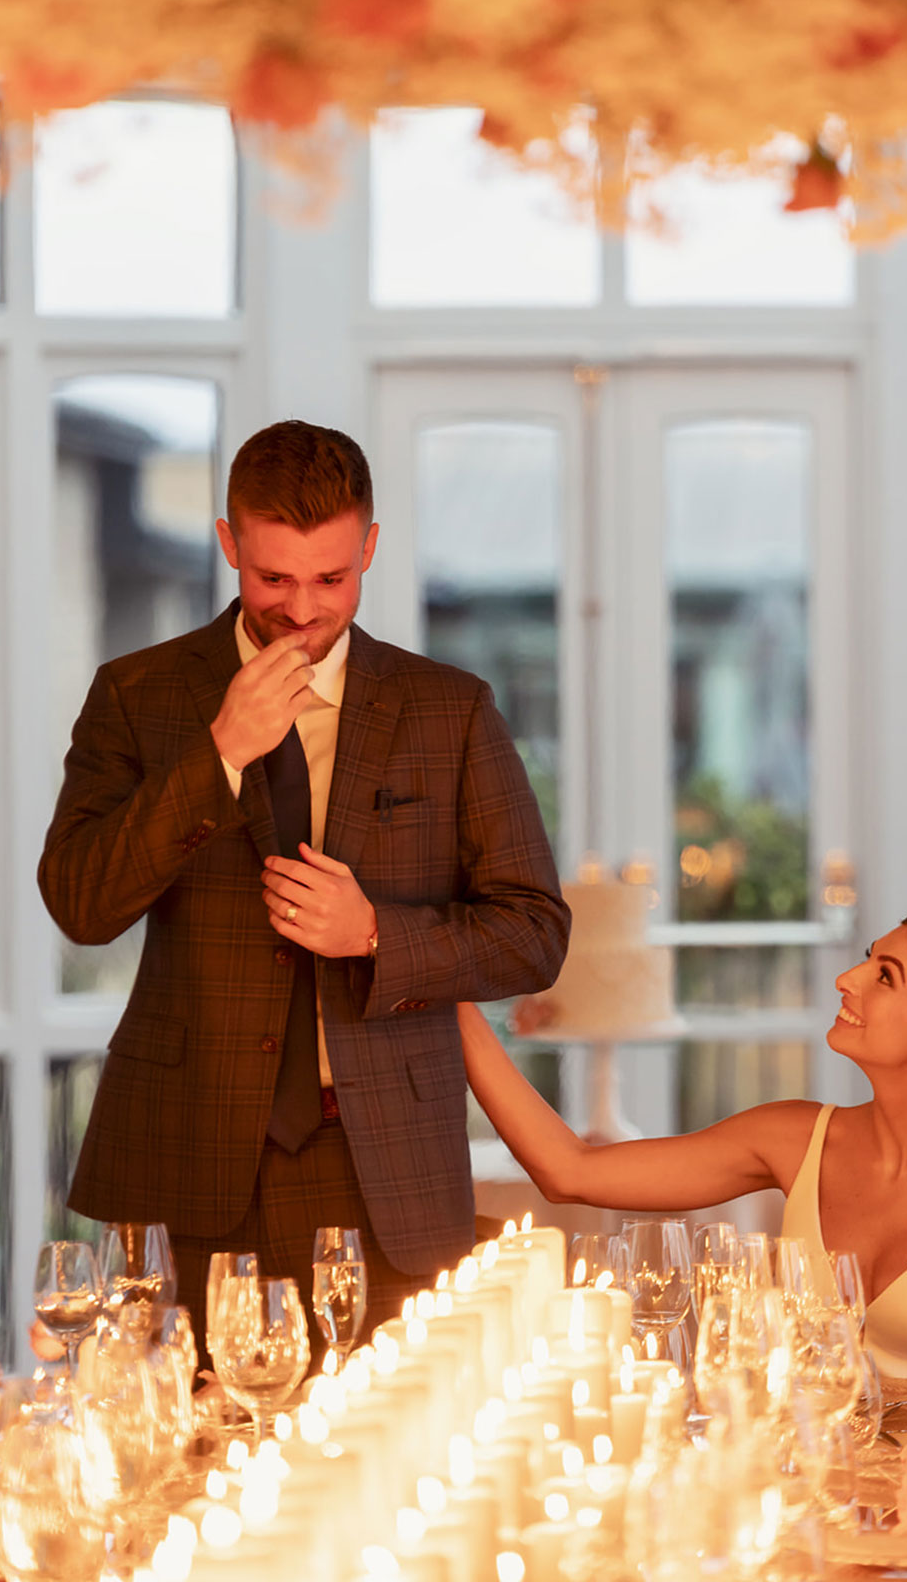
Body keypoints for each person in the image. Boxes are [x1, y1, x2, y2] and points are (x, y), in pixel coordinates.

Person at [39, 420, 569, 1358]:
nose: (301, 609)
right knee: (179, 1466)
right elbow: (81, 904)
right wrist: (219, 754)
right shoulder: (139, 695)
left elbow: (534, 933)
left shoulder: (450, 710)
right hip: (184, 1156)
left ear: (368, 547)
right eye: (274, 578)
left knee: (391, 1471)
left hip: (381, 1161)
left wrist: (378, 935)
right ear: (229, 543)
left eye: (332, 579)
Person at [458, 907, 907, 1392]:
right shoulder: (794, 1137)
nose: (846, 980)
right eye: (866, 961)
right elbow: (570, 1171)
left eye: (885, 975)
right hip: (801, 1487)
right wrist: (449, 998)